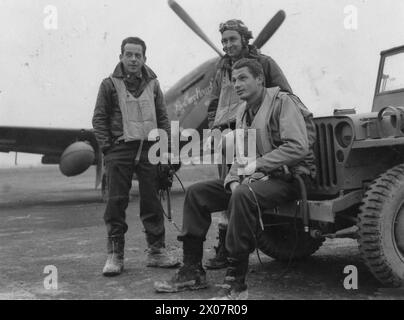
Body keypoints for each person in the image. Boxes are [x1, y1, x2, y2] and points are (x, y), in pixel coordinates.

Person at [154, 58, 316, 299]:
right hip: (260, 178)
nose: (237, 84)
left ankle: (236, 282)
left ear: (260, 79)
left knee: (243, 194)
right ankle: (192, 271)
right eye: (233, 80)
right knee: (198, 193)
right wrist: (231, 178)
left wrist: (257, 165)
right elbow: (241, 153)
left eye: (243, 78)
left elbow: (298, 147)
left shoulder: (283, 103)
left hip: (291, 179)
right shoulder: (243, 110)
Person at [205, 19, 293, 270]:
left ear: (245, 39)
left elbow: (286, 95)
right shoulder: (221, 69)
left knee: (247, 189)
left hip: (253, 132)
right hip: (226, 136)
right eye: (224, 41)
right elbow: (213, 104)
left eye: (232, 39)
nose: (227, 45)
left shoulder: (265, 63)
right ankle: (226, 244)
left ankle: (236, 246)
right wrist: (214, 129)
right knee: (227, 188)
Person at [92, 37, 180, 277]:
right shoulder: (108, 84)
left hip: (150, 149)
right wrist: (108, 149)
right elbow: (99, 119)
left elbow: (163, 118)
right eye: (128, 54)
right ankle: (115, 255)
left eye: (137, 55)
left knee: (152, 201)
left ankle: (156, 252)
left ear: (144, 58)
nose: (133, 59)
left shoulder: (153, 84)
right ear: (121, 56)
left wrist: (167, 150)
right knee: (116, 202)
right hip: (120, 149)